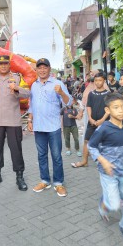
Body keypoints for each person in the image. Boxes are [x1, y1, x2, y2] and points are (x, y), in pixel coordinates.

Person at [27, 58, 72, 197]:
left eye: (44, 67)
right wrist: (29, 119)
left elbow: (69, 102)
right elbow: (31, 104)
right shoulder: (34, 85)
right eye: (39, 67)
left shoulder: (57, 83)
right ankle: (45, 180)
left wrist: (62, 93)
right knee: (41, 155)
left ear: (49, 68)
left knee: (56, 156)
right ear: (36, 70)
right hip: (39, 127)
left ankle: (58, 183)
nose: (42, 70)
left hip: (53, 127)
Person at [0, 55, 30, 191]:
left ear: (9, 65)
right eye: (1, 64)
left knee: (16, 150)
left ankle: (19, 176)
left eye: (6, 63)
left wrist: (17, 88)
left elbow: (28, 93)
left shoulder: (17, 78)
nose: (3, 66)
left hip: (13, 121)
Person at [88, 93, 123, 241]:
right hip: (108, 173)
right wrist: (102, 161)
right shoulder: (103, 129)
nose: (121, 110)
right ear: (108, 110)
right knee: (114, 204)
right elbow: (91, 146)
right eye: (116, 107)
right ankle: (105, 203)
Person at [71, 72, 111, 168]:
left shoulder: (108, 94)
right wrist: (90, 118)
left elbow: (109, 109)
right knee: (86, 141)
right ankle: (84, 161)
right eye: (96, 80)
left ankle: (107, 164)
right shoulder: (91, 94)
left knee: (105, 143)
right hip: (92, 122)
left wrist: (102, 120)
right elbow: (88, 106)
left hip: (105, 122)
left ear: (104, 81)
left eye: (100, 80)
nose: (98, 82)